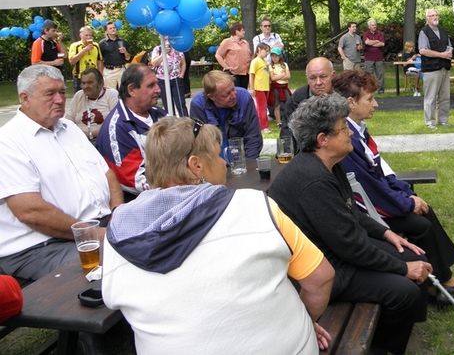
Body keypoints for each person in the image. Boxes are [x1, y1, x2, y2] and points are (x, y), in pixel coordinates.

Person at [102, 117, 334, 355]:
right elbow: (321, 278)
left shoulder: (117, 233)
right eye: (217, 155)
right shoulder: (255, 206)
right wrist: (305, 322)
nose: (225, 163)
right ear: (196, 166)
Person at [269, 93, 432, 355]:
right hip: (321, 271)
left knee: (416, 255)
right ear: (323, 139)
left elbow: (350, 212)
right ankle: (380, 348)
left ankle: (404, 327)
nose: (351, 133)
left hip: (336, 252)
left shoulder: (329, 163)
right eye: (344, 128)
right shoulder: (314, 180)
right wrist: (403, 269)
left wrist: (386, 233)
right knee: (405, 291)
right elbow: (351, 247)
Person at [333, 70, 454, 307]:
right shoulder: (347, 137)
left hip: (376, 200)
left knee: (425, 211)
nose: (376, 104)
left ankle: (441, 283)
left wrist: (408, 194)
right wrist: (406, 202)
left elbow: (381, 171)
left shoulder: (358, 129)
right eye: (370, 99)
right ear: (351, 103)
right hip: (366, 213)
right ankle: (443, 285)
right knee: (421, 225)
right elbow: (369, 188)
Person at [0, 65, 122, 281]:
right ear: (25, 98)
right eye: (50, 93)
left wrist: (118, 213)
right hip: (41, 245)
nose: (59, 100)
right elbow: (30, 212)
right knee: (123, 261)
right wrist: (97, 233)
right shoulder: (7, 142)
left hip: (98, 226)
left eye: (62, 92)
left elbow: (107, 174)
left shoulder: (69, 127)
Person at [96, 64, 168, 197]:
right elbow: (136, 182)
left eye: (157, 84)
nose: (158, 89)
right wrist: (180, 187)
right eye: (151, 85)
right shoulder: (118, 129)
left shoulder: (159, 114)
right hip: (141, 202)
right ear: (131, 90)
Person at [189, 70, 263, 159]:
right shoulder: (198, 105)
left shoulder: (244, 97)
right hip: (213, 161)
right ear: (211, 96)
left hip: (241, 160)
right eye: (227, 94)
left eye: (233, 89)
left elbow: (253, 136)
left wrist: (250, 164)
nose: (234, 95)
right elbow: (200, 144)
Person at [280, 57, 335, 143]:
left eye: (323, 77)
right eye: (312, 78)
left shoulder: (345, 95)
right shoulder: (296, 100)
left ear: (333, 76)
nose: (318, 82)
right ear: (307, 79)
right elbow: (287, 135)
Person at [418, 8, 453, 129]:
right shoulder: (424, 32)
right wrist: (441, 55)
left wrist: (449, 52)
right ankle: (430, 122)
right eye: (432, 16)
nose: (435, 17)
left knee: (445, 96)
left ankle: (443, 120)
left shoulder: (443, 30)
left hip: (445, 67)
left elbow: (449, 45)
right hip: (431, 69)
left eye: (436, 15)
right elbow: (423, 50)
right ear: (427, 18)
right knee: (431, 97)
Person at [65, 68, 119, 141]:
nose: (85, 87)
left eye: (90, 83)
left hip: (103, 139)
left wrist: (90, 134)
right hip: (79, 139)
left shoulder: (111, 94)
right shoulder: (79, 95)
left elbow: (116, 123)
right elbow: (68, 120)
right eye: (83, 83)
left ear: (101, 83)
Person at [150, 37, 188, 117]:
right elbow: (154, 63)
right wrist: (163, 54)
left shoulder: (178, 49)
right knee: (167, 104)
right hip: (162, 80)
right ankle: (171, 122)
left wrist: (181, 75)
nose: (167, 40)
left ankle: (186, 122)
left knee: (181, 103)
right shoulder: (158, 49)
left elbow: (183, 63)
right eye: (164, 39)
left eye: (168, 38)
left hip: (176, 79)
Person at [215, 22, 252, 88]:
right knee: (235, 91)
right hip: (233, 73)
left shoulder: (245, 43)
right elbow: (218, 55)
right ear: (237, 31)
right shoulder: (227, 41)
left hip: (245, 73)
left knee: (243, 92)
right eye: (242, 30)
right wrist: (226, 67)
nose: (244, 32)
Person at [68, 26, 103, 93]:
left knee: (94, 95)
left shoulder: (96, 45)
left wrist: (100, 75)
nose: (88, 37)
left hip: (93, 76)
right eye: (86, 35)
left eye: (90, 35)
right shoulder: (75, 45)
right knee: (80, 96)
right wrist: (84, 50)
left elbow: (99, 61)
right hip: (79, 77)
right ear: (80, 36)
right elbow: (72, 61)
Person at [99, 21, 130, 89]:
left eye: (114, 27)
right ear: (106, 31)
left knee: (124, 91)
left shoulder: (122, 41)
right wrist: (101, 74)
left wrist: (125, 52)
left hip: (121, 70)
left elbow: (128, 58)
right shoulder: (102, 43)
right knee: (110, 92)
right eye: (110, 28)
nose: (113, 29)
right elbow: (100, 60)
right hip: (109, 71)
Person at [249, 42, 271, 133]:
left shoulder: (264, 61)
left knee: (262, 107)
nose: (267, 53)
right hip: (259, 88)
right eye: (266, 51)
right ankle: (264, 126)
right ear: (259, 50)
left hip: (265, 87)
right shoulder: (255, 61)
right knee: (262, 108)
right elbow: (251, 75)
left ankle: (259, 124)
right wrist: (252, 88)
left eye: (268, 51)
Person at [269, 47, 292, 127]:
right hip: (276, 87)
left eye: (276, 56)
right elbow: (273, 78)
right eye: (273, 56)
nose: (275, 58)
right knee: (277, 105)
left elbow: (288, 76)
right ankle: (279, 122)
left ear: (280, 56)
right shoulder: (271, 66)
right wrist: (283, 74)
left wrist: (278, 76)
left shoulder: (284, 65)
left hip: (284, 87)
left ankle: (289, 119)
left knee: (289, 102)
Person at [363, 19, 386, 94]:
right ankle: (369, 90)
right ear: (369, 27)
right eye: (372, 25)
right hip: (369, 58)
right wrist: (376, 41)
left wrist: (371, 43)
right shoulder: (366, 34)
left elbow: (382, 44)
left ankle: (381, 90)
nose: (374, 26)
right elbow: (366, 42)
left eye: (375, 25)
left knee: (380, 74)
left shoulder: (379, 34)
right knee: (368, 75)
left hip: (379, 57)